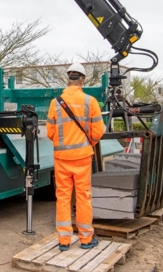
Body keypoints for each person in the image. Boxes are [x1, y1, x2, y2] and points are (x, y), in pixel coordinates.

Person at [46, 63, 105, 251]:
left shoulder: (55, 102)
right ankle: (86, 238)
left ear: (67, 79)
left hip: (62, 157)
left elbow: (50, 131)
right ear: (83, 80)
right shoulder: (91, 102)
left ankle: (64, 240)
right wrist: (89, 143)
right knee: (83, 196)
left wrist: (63, 145)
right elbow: (98, 131)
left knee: (62, 197)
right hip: (82, 157)